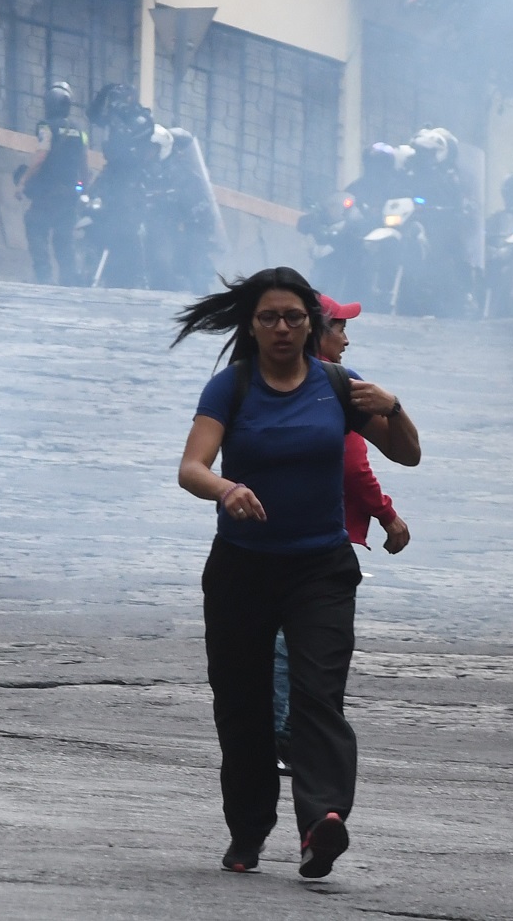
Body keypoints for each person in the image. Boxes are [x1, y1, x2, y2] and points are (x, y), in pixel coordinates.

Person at [173, 267, 421, 878]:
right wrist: (226, 489)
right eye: (269, 318)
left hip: (321, 569)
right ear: (252, 326)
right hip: (241, 570)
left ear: (310, 324)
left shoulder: (339, 386)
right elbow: (191, 467)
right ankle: (249, 830)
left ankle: (322, 822)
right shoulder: (229, 389)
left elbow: (407, 452)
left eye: (293, 317)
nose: (282, 328)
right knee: (242, 705)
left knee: (318, 697)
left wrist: (396, 407)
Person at [272, 293, 411, 771]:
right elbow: (354, 466)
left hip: (275, 530)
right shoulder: (332, 385)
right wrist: (387, 514)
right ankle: (286, 734)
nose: (346, 339)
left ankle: (281, 732)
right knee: (302, 642)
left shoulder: (271, 378)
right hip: (319, 535)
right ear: (315, 331)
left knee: (284, 636)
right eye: (339, 329)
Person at [16, 81, 88, 285]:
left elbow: (41, 156)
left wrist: (23, 181)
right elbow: (84, 163)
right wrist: (84, 188)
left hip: (47, 193)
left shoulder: (45, 126)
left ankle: (44, 275)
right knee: (64, 239)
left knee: (35, 226)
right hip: (70, 195)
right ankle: (69, 279)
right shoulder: (80, 130)